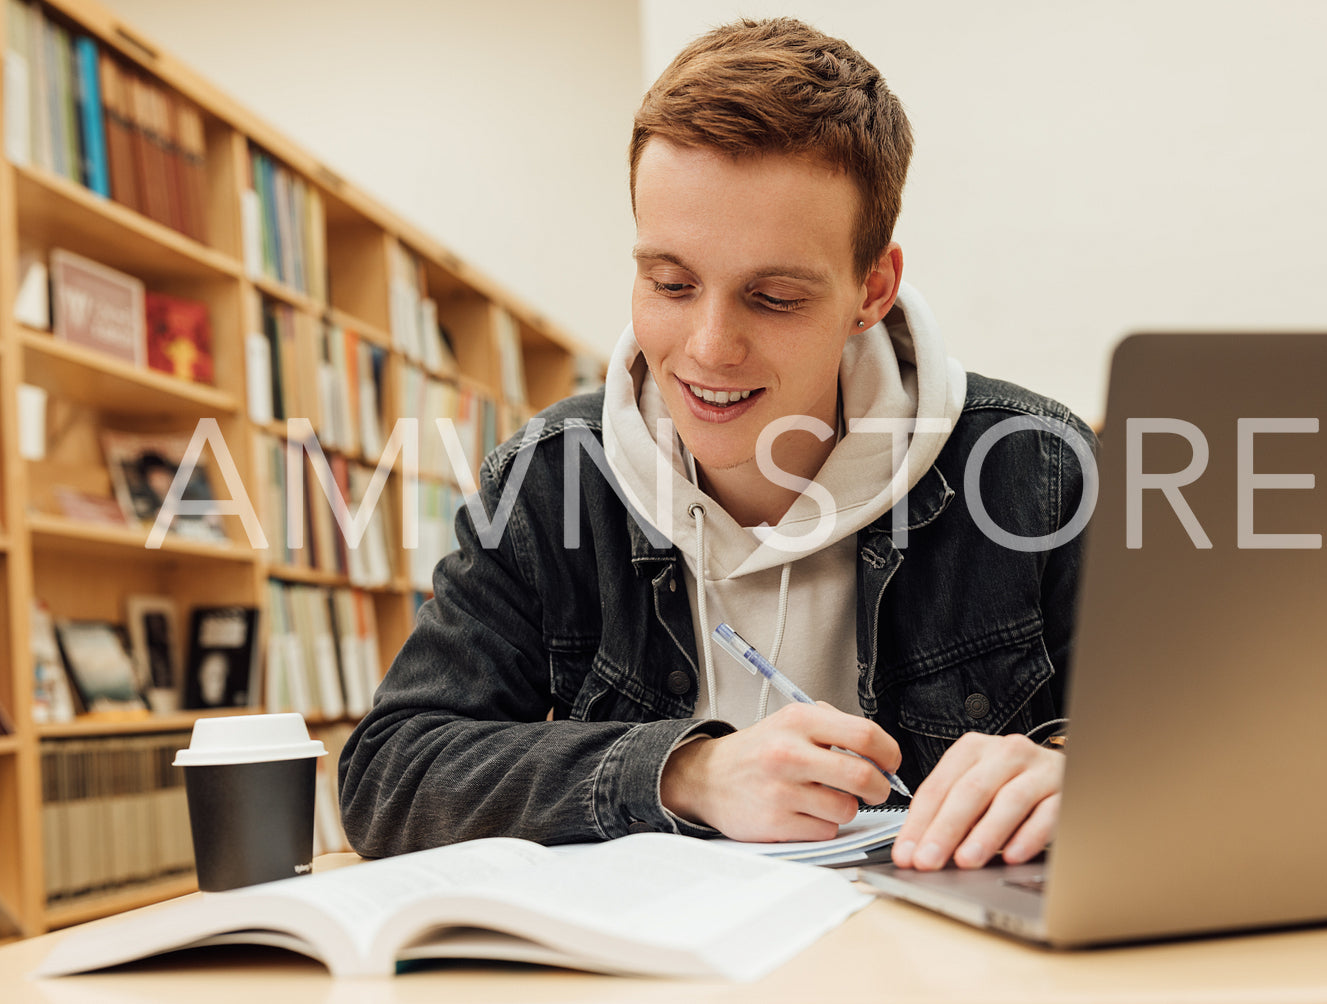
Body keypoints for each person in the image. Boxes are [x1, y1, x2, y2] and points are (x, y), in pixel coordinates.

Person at [339, 17, 1094, 873]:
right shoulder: (548, 483)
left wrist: (1080, 772)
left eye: (772, 297)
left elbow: (1205, 739)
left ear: (871, 289)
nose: (706, 348)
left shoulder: (1036, 468)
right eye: (670, 283)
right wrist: (685, 772)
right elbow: (388, 776)